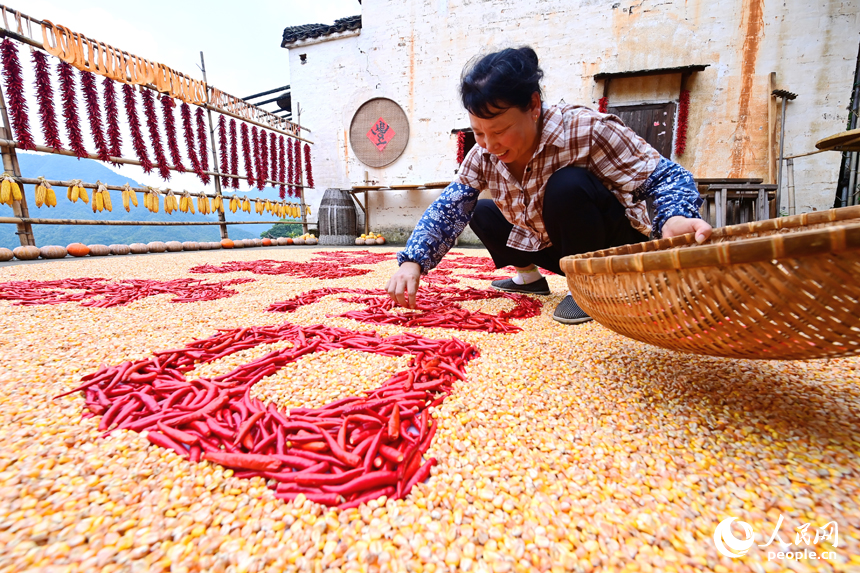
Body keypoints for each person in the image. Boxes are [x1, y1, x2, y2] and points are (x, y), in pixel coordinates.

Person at [386, 47, 712, 324]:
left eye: (499, 131)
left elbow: (662, 175)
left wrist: (673, 216)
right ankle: (528, 279)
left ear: (533, 106)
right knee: (480, 210)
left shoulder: (584, 129)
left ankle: (588, 288)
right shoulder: (482, 156)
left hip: (610, 243)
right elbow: (448, 207)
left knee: (566, 184)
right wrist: (413, 260)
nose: (489, 144)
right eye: (479, 132)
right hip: (557, 243)